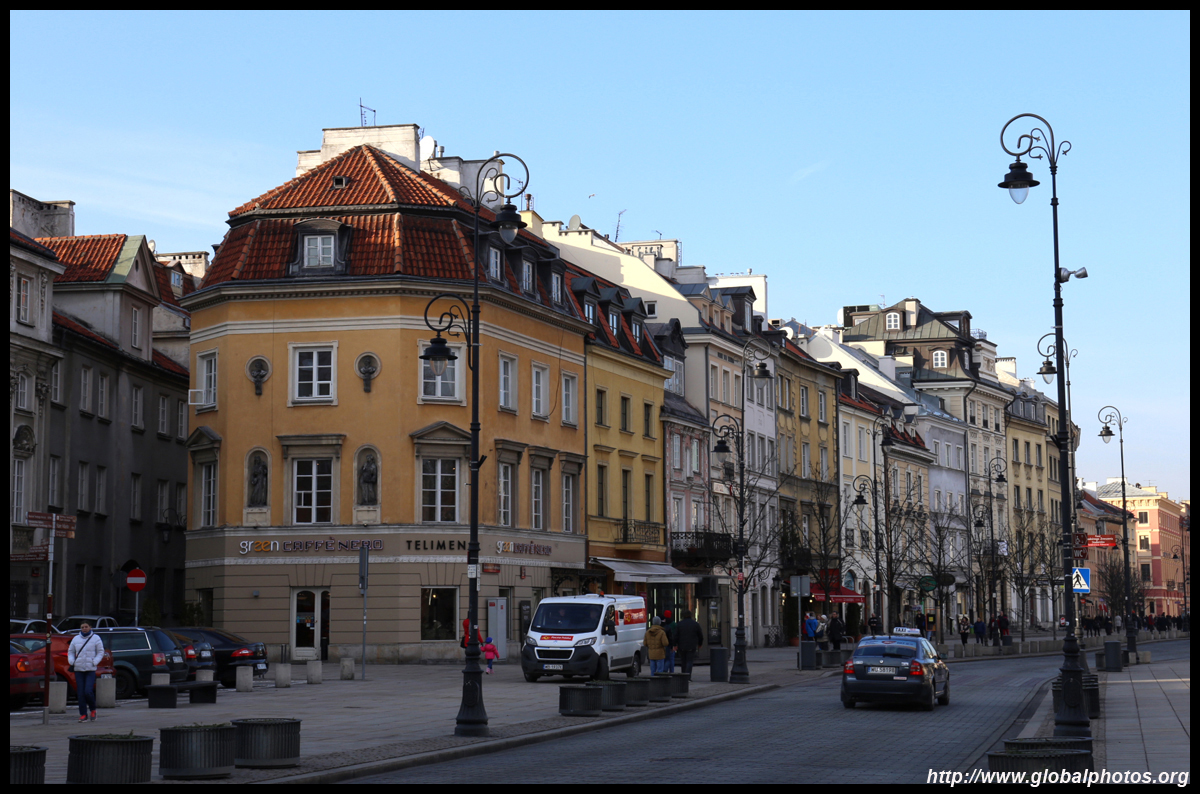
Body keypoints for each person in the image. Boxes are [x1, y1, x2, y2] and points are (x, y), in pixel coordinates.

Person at [68, 622, 105, 722]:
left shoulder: (96, 638)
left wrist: (95, 662)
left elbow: (100, 652)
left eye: (86, 627)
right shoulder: (76, 639)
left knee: (88, 691)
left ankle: (93, 709)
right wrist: (72, 661)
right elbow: (71, 651)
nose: (84, 629)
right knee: (80, 693)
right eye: (82, 627)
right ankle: (83, 714)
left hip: (90, 669)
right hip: (78, 669)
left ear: (90, 627)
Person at [674, 609, 705, 680]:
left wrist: (675, 644)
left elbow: (676, 635)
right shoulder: (695, 624)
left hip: (681, 645)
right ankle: (688, 677)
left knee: (683, 661)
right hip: (692, 645)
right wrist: (700, 643)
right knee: (689, 661)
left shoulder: (679, 624)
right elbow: (700, 635)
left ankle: (683, 675)